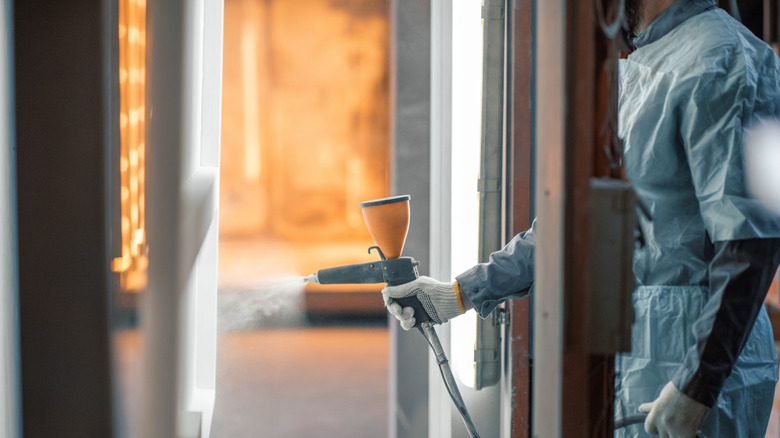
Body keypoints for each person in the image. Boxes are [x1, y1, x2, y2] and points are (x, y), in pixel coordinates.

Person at [382, 1, 780, 436]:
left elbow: (750, 240)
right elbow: (574, 223)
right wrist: (458, 293)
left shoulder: (724, 60)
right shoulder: (644, 62)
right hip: (641, 350)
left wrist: (697, 384)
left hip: (692, 357)